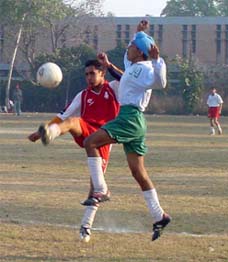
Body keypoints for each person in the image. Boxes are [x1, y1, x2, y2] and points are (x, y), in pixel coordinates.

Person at [82, 20, 171, 241]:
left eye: (131, 45)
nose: (128, 47)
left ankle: (100, 190)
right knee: (138, 172)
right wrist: (138, 34)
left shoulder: (145, 67)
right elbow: (124, 75)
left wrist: (158, 60)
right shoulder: (135, 67)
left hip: (130, 117)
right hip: (135, 120)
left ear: (140, 53)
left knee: (90, 142)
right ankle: (159, 216)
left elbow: (160, 83)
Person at [28, 59, 120, 242]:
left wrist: (110, 65)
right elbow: (63, 115)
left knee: (95, 189)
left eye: (92, 73)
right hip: (87, 131)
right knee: (72, 122)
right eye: (86, 74)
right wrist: (42, 132)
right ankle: (51, 134)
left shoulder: (114, 88)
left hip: (105, 137)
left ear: (102, 74)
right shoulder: (83, 95)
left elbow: (127, 80)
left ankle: (86, 226)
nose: (89, 78)